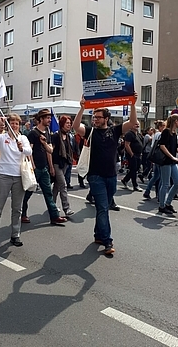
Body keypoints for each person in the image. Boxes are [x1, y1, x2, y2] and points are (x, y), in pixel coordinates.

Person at [73, 93, 138, 255]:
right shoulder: (90, 131)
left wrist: (132, 104)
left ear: (106, 118)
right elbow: (76, 127)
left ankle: (98, 235)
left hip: (111, 176)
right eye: (94, 117)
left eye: (98, 117)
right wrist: (82, 108)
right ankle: (108, 241)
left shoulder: (114, 130)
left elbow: (132, 122)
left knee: (104, 208)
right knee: (102, 207)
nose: (95, 119)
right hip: (95, 177)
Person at [0, 113, 32, 247]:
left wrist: (22, 148)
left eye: (17, 123)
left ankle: (15, 235)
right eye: (12, 123)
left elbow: (29, 151)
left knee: (17, 208)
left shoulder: (22, 138)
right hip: (3, 175)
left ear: (19, 125)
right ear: (8, 125)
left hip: (19, 176)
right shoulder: (2, 137)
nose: (14, 125)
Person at [21, 109, 67, 224]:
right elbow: (29, 151)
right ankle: (22, 214)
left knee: (48, 194)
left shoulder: (47, 132)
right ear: (41, 119)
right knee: (28, 193)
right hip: (35, 169)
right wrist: (33, 166)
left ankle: (54, 216)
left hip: (44, 168)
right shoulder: (32, 133)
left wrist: (51, 166)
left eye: (50, 118)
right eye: (47, 118)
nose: (49, 120)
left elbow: (50, 151)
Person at [158, 113, 178, 214]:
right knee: (165, 184)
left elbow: (176, 147)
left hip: (172, 161)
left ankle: (168, 203)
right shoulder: (166, 132)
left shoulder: (174, 132)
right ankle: (162, 206)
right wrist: (172, 156)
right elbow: (162, 146)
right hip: (165, 161)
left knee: (177, 182)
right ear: (176, 121)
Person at [50, 115, 74, 216]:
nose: (69, 125)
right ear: (62, 124)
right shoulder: (55, 136)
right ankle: (66, 208)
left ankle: (52, 205)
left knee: (57, 185)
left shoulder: (68, 136)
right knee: (63, 185)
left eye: (70, 123)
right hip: (56, 163)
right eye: (67, 123)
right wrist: (51, 166)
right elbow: (50, 151)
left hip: (65, 163)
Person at [143, 120, 166, 200]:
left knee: (156, 176)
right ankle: (159, 196)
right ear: (160, 127)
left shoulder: (155, 134)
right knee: (160, 177)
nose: (164, 127)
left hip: (155, 157)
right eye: (163, 126)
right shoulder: (160, 134)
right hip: (159, 157)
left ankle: (147, 191)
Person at [121, 122, 143, 192]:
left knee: (136, 169)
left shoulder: (138, 135)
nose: (137, 125)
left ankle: (125, 180)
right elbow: (127, 145)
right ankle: (135, 185)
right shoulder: (129, 134)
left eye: (138, 124)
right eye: (135, 124)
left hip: (138, 154)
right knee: (133, 169)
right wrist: (131, 154)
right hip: (132, 154)